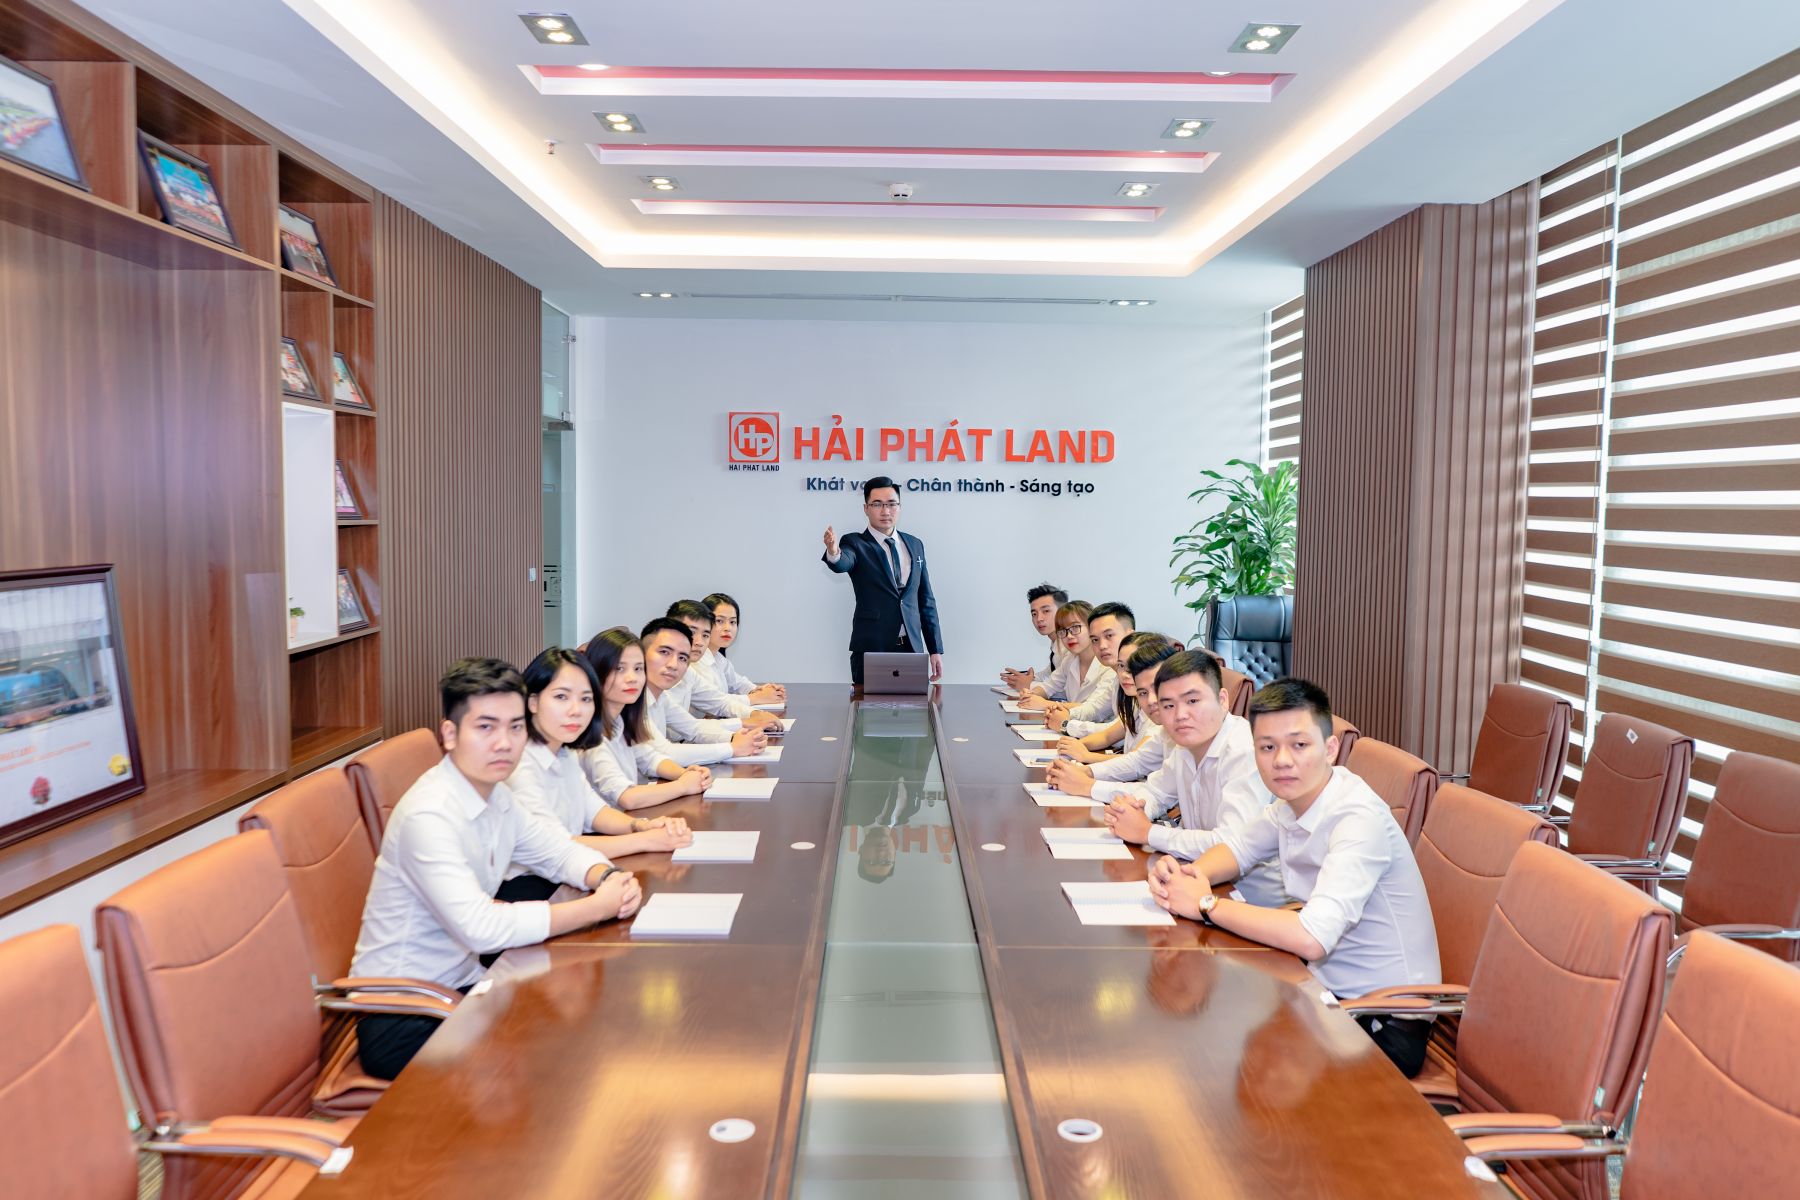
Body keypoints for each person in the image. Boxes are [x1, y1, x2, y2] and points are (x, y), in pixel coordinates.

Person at [349, 657, 643, 1080]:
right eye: (486, 727)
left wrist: (608, 878)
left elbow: (557, 852)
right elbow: (481, 928)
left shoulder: (497, 796)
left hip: (467, 984)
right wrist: (598, 907)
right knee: (563, 1052)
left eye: (515, 727)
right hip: (405, 1012)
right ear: (450, 734)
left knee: (591, 1021)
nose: (504, 743)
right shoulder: (428, 815)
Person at [1148, 677, 1442, 1077]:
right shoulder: (1293, 803)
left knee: (1213, 1049)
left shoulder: (1357, 819)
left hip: (1381, 1020)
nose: (1282, 760)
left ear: (1330, 749)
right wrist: (1188, 875)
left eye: (1299, 745)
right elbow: (1238, 849)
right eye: (1267, 747)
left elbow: (1312, 937)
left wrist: (1204, 904)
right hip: (1320, 991)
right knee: (1198, 1037)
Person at [1078, 649, 1286, 906]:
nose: (1180, 715)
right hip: (1192, 879)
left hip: (1250, 901)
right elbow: (1155, 792)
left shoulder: (1244, 750)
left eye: (1193, 701)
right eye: (1168, 705)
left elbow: (1228, 843)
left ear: (1223, 700)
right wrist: (1134, 809)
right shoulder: (1185, 745)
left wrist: (1147, 832)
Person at [499, 647, 695, 903]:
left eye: (585, 699)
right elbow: (557, 847)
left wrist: (642, 825)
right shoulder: (519, 765)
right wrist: (645, 839)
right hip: (526, 889)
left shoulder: (564, 751)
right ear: (532, 702)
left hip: (566, 874)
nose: (575, 710)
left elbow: (595, 812)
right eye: (561, 697)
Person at [821, 475, 943, 685]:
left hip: (911, 649)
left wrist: (935, 649)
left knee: (914, 706)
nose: (885, 511)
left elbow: (926, 601)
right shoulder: (855, 542)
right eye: (877, 504)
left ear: (900, 507)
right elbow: (843, 562)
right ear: (866, 508)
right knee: (868, 706)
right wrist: (833, 551)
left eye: (891, 504)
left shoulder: (915, 544)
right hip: (871, 649)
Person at [578, 628, 715, 810]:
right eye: (619, 668)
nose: (632, 678)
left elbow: (650, 759)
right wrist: (683, 785)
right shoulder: (589, 734)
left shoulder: (620, 721)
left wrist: (686, 773)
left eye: (638, 669)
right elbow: (627, 797)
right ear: (595, 672)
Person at [637, 617, 767, 764]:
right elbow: (663, 752)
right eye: (664, 652)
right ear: (640, 653)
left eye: (682, 658)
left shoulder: (659, 696)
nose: (673, 664)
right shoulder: (631, 699)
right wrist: (732, 747)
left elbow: (694, 728)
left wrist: (735, 737)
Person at [663, 599, 781, 729]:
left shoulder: (691, 670)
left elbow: (720, 702)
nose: (699, 642)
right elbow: (684, 728)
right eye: (719, 621)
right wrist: (746, 716)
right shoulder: (665, 671)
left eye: (705, 635)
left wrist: (755, 713)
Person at [1044, 601, 1134, 735]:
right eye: (1095, 640)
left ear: (1130, 635)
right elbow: (1095, 709)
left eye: (1109, 636)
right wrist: (1066, 713)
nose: (1102, 645)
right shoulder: (1118, 676)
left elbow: (1120, 731)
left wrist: (1066, 725)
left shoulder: (1142, 676)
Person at [1020, 601, 1112, 711]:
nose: (1069, 636)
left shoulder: (1108, 664)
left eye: (1075, 627)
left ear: (1092, 628)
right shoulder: (1070, 659)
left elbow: (1094, 708)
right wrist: (1031, 694)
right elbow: (1049, 686)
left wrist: (1045, 704)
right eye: (1063, 630)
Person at [699, 592, 786, 706]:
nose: (728, 628)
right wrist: (757, 697)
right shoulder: (697, 660)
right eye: (719, 621)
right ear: (703, 623)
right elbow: (714, 701)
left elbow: (738, 684)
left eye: (732, 622)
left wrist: (763, 690)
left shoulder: (719, 659)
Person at [1000, 583, 1067, 693]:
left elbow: (1064, 687)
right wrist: (1028, 678)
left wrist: (1029, 684)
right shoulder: (1056, 644)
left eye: (1046, 611)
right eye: (1034, 614)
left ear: (1062, 612)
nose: (1039, 618)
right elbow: (1050, 674)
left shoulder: (1070, 645)